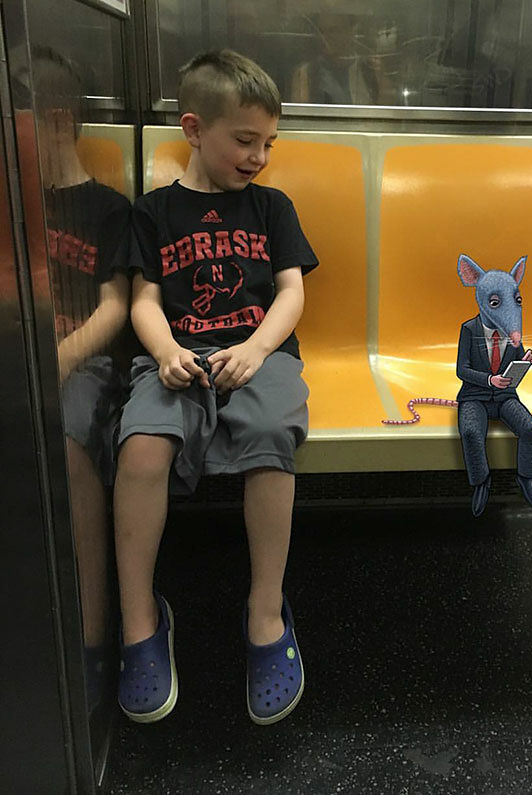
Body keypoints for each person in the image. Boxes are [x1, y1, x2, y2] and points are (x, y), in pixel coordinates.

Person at [115, 49, 318, 726]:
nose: (258, 156)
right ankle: (142, 620)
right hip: (177, 356)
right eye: (244, 140)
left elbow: (290, 292)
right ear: (194, 128)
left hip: (259, 354)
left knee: (268, 439)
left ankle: (265, 610)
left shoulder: (271, 207)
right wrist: (167, 349)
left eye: (268, 143)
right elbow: (144, 299)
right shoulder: (155, 212)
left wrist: (259, 348)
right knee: (142, 447)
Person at [24, 46, 131, 714]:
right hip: (26, 357)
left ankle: (93, 634)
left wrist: (54, 359)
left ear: (56, 123)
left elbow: (114, 307)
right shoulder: (11, 203)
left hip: (83, 361)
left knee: (68, 438)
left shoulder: (106, 209)